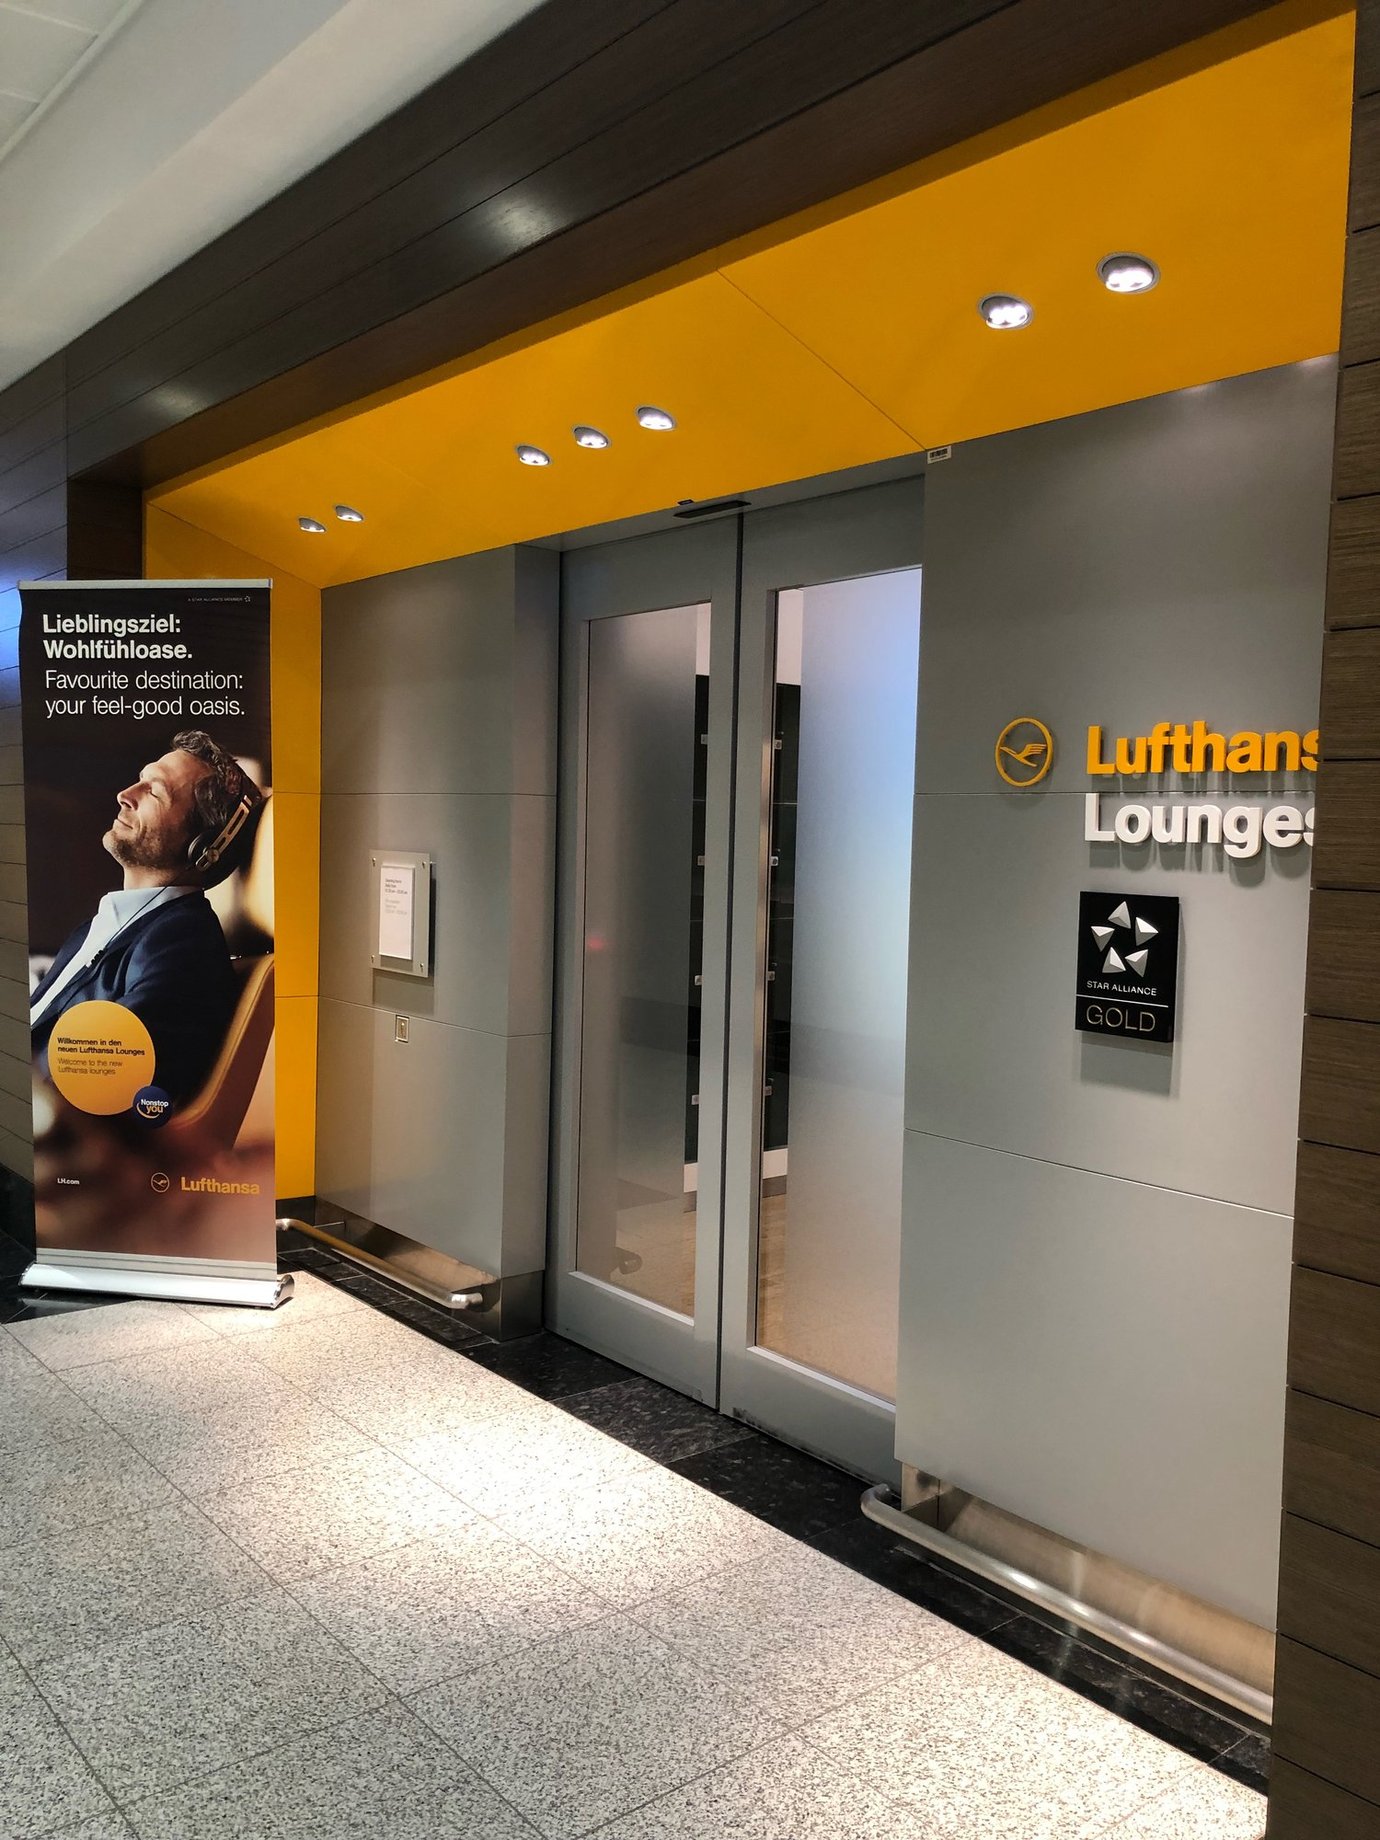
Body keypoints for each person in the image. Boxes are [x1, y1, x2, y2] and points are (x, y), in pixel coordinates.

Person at [30, 729, 263, 1108]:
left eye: (153, 792)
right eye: (140, 781)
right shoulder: (100, 927)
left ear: (204, 848)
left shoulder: (184, 943)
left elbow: (99, 1067)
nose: (125, 796)